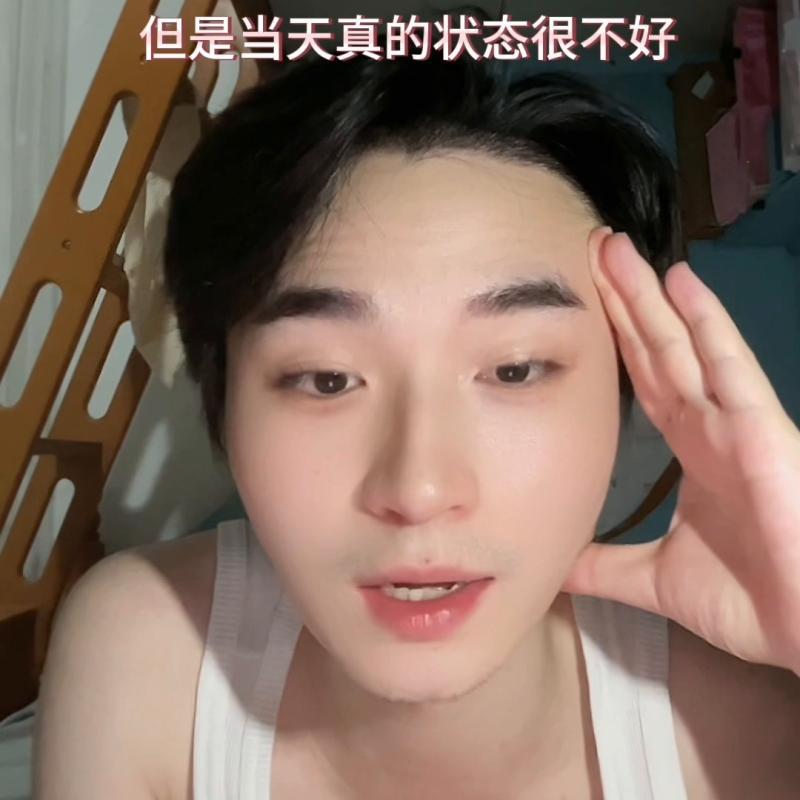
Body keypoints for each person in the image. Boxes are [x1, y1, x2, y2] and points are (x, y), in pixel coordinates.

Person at [33, 50, 800, 799]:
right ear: (226, 406)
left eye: (514, 369)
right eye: (327, 379)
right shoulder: (145, 655)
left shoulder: (746, 728)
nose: (419, 489)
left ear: (627, 394)